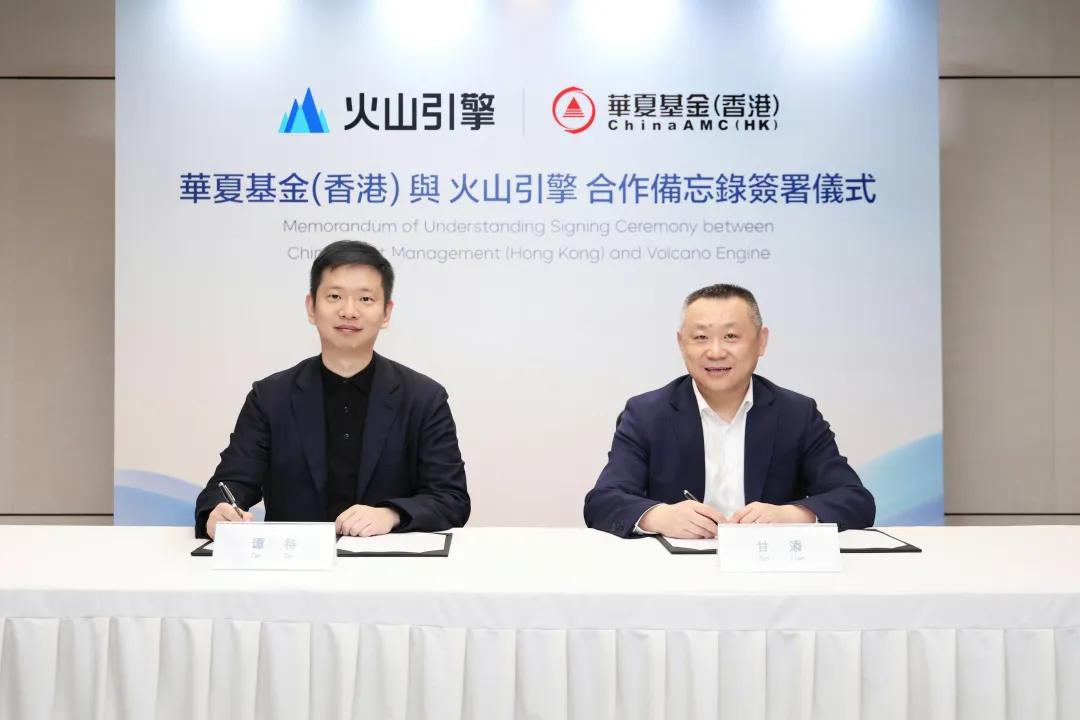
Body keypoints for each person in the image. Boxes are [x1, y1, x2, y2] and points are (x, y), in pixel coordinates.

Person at [194, 240, 470, 539]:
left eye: (365, 299)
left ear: (386, 313)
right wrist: (218, 511)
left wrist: (391, 514)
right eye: (335, 296)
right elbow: (231, 483)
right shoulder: (270, 397)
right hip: (294, 561)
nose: (349, 311)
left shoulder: (424, 398)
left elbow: (451, 498)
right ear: (311, 307)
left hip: (388, 561)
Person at [584, 283, 874, 538]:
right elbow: (602, 502)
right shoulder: (646, 414)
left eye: (731, 336)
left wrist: (792, 515)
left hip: (771, 568)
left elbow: (855, 500)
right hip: (678, 568)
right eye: (701, 338)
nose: (716, 352)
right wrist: (659, 516)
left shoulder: (797, 414)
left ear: (761, 341)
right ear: (681, 344)